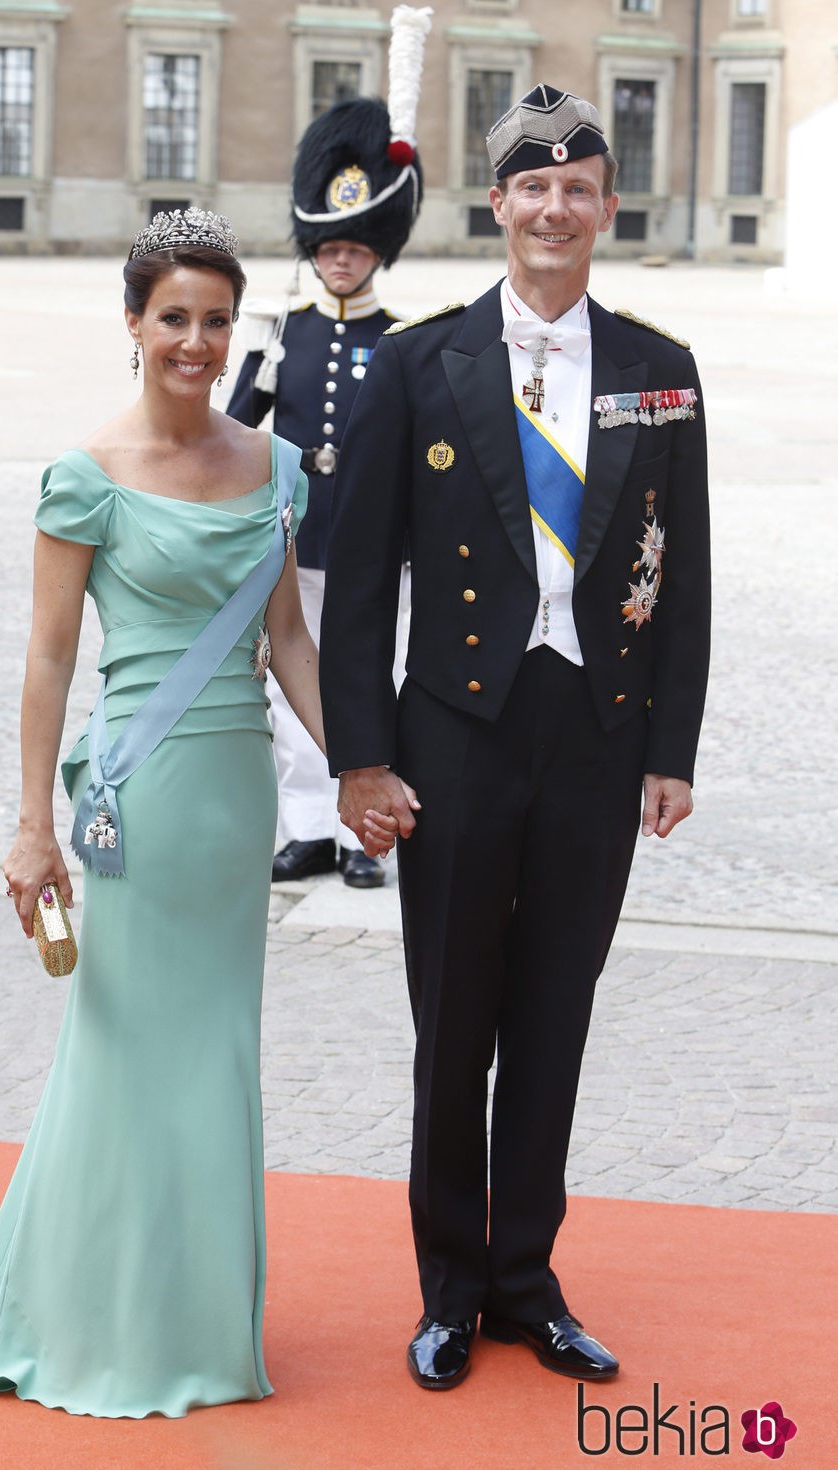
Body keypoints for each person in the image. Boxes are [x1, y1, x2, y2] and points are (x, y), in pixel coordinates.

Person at [0, 207, 394, 1418]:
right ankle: (97, 1312)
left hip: (228, 806)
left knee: (215, 1055)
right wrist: (29, 828)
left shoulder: (272, 468)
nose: (195, 340)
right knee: (122, 1057)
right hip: (137, 805)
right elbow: (48, 662)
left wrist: (356, 770)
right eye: (172, 317)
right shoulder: (85, 476)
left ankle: (195, 1317)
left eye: (216, 320)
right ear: (132, 324)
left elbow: (287, 640)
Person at [320, 84, 710, 1390]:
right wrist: (360, 759)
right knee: (456, 1021)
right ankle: (448, 1286)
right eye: (531, 187)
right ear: (500, 203)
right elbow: (363, 574)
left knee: (554, 1013)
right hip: (456, 735)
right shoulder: (420, 364)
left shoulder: (661, 371)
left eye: (578, 188)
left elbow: (686, 572)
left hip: (596, 735)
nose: (555, 207)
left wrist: (673, 746)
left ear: (607, 206)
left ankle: (528, 1282)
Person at [228, 7, 432, 891]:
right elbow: (235, 434)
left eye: (356, 249)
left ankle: (364, 837)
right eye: (331, 249)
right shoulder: (284, 332)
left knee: (366, 679)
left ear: (377, 253)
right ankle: (309, 826)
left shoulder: (406, 340)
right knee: (287, 687)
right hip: (295, 544)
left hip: (373, 545)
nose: (342, 262)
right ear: (315, 250)